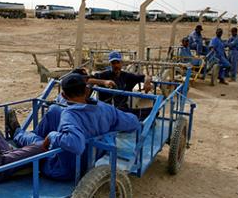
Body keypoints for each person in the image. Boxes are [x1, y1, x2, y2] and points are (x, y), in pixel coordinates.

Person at [12, 73, 141, 181]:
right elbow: (134, 122)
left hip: (62, 168)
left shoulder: (70, 115)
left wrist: (52, 136)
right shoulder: (106, 109)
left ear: (63, 95)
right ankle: (33, 136)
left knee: (36, 141)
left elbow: (76, 144)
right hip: (90, 159)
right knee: (54, 110)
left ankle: (17, 133)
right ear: (87, 90)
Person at [91, 51, 154, 120]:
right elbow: (88, 80)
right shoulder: (104, 75)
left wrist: (147, 82)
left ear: (121, 63)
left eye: (118, 62)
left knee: (153, 112)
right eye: (113, 63)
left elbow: (144, 77)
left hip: (122, 110)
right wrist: (104, 82)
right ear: (110, 64)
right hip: (106, 110)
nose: (116, 65)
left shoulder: (126, 76)